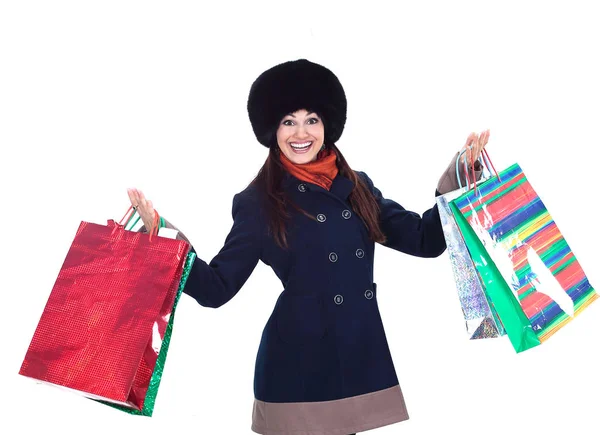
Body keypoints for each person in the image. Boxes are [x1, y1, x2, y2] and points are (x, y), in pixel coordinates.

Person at [127, 59, 489, 435]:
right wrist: (162, 239)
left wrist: (464, 178)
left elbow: (426, 240)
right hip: (297, 370)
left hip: (354, 359)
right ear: (272, 129)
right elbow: (216, 289)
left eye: (311, 119)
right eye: (288, 121)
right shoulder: (260, 202)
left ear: (327, 125)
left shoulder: (357, 187)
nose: (301, 133)